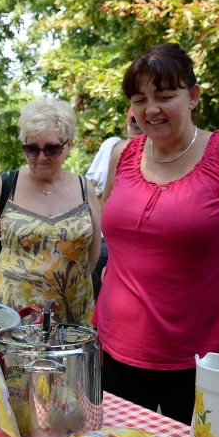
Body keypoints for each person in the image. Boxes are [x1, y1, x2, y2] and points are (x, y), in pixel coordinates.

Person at [93, 44, 219, 424]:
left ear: (193, 96)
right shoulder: (123, 155)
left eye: (165, 96)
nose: (151, 109)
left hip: (201, 359)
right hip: (115, 350)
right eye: (140, 99)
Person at [0, 98, 101, 326]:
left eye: (51, 148)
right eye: (31, 149)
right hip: (15, 318)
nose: (40, 157)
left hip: (73, 319)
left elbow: (92, 256)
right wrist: (9, 282)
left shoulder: (84, 189)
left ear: (69, 145)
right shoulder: (6, 185)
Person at [85, 108, 143, 300]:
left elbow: (98, 190)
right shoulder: (115, 146)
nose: (134, 124)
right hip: (110, 241)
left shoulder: (157, 152)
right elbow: (97, 192)